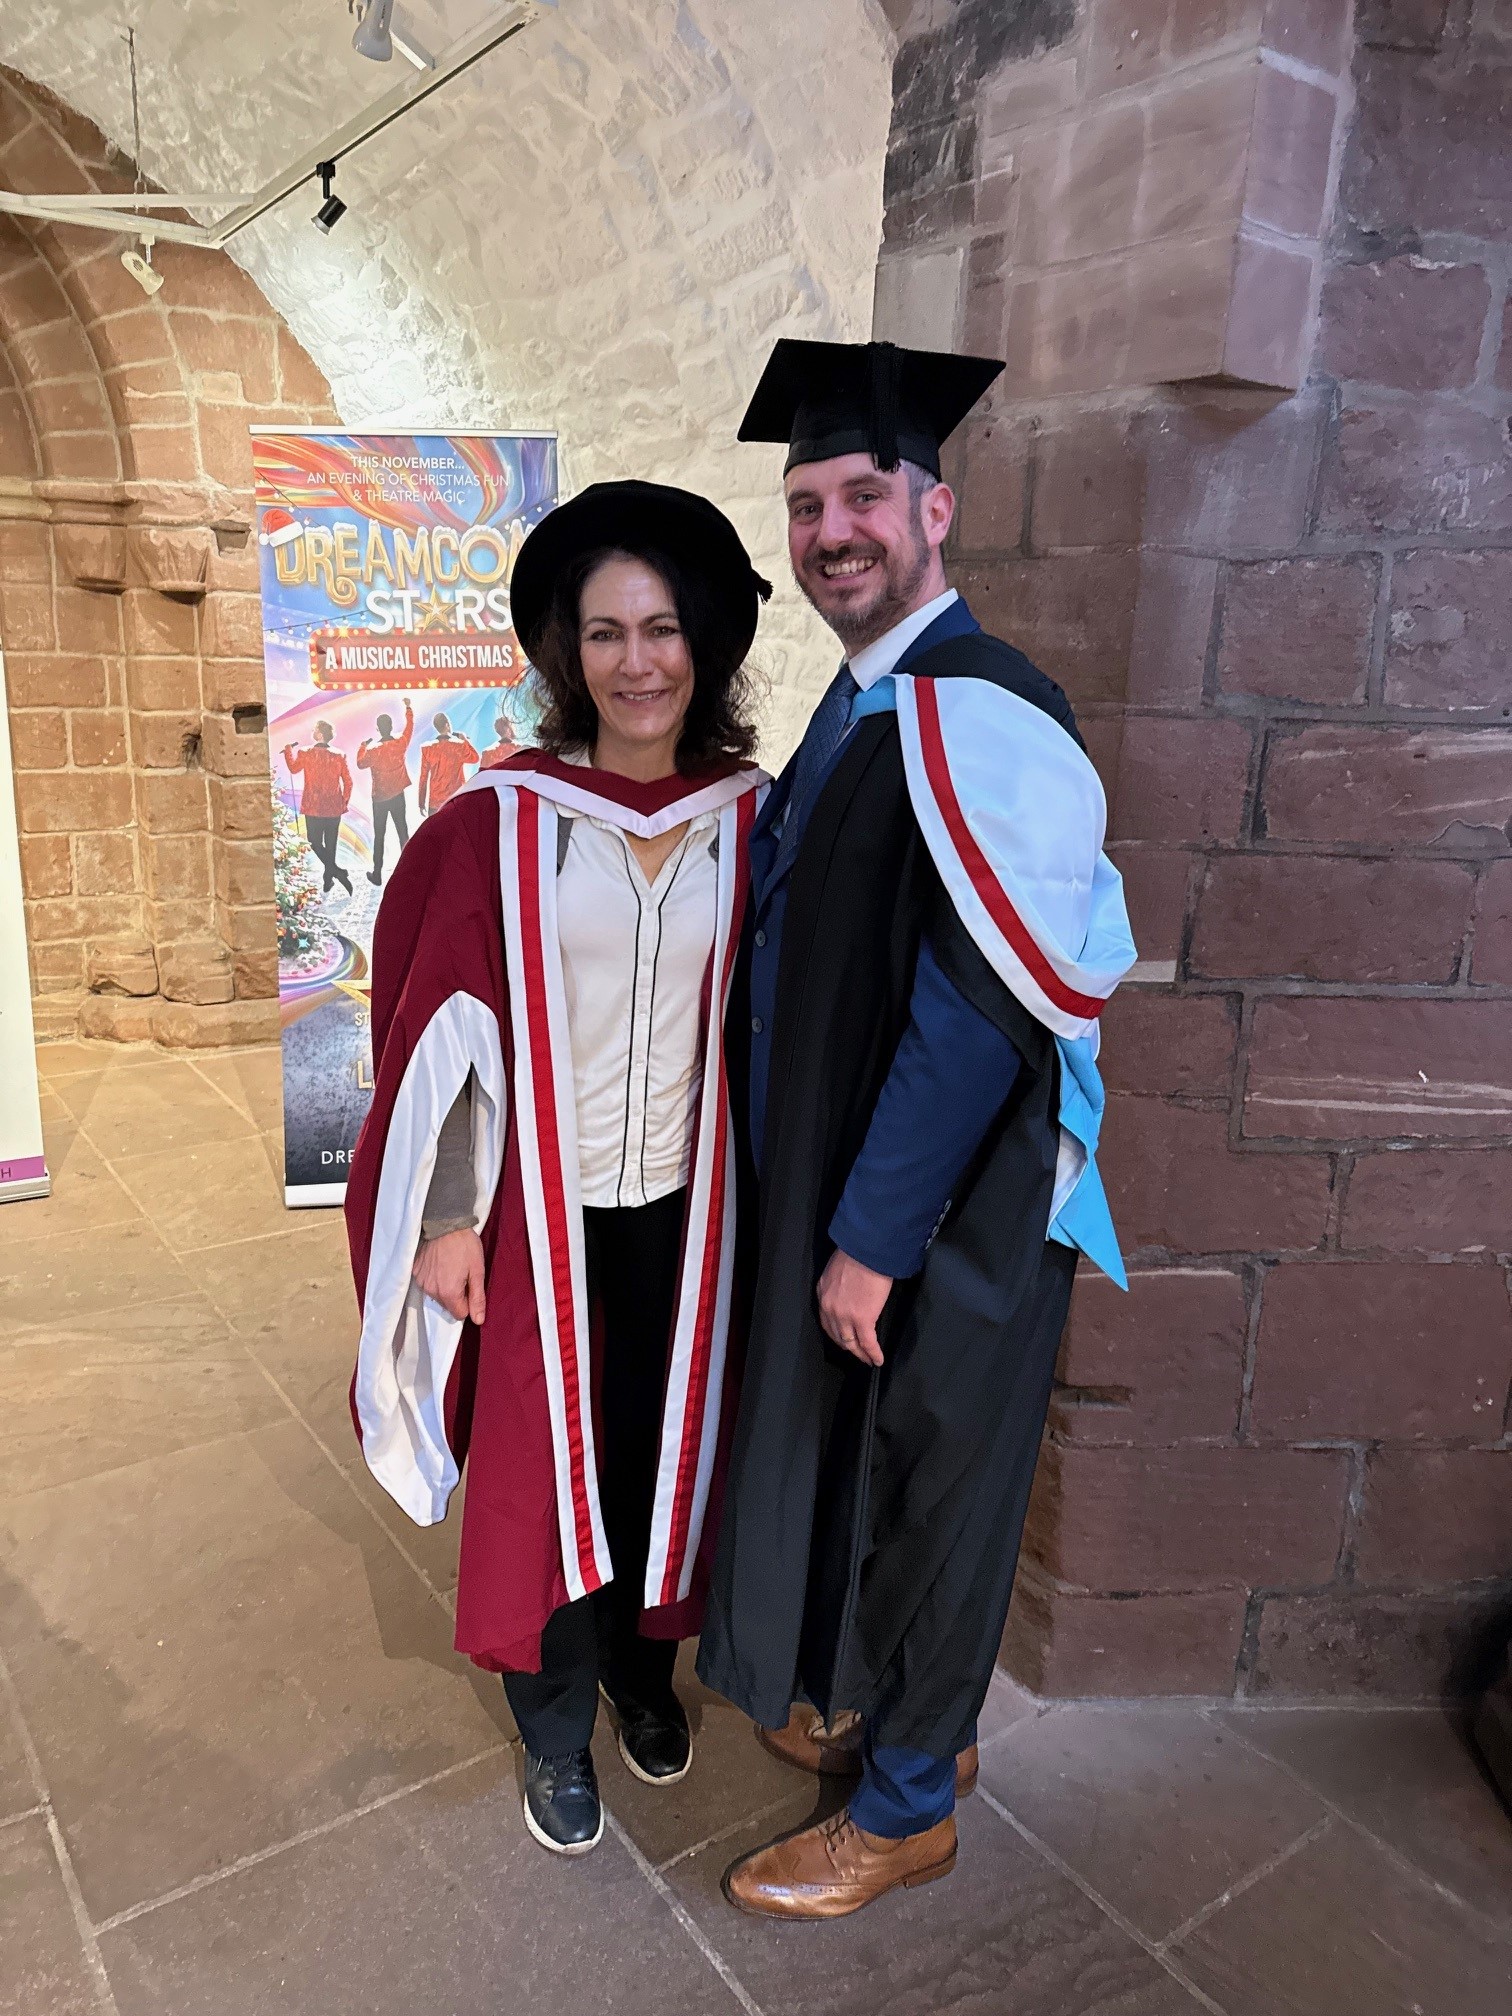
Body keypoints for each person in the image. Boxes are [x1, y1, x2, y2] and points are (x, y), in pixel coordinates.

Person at [697, 339, 1137, 1919]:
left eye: (864, 495)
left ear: (936, 511)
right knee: (882, 1483)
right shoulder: (864, 697)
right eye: (808, 502)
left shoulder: (988, 712)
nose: (832, 530)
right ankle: (899, 1724)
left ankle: (906, 1811)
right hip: (869, 1189)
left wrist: (871, 1242)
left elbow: (976, 1013)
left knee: (943, 1500)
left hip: (953, 1212)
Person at [344, 482, 770, 1861]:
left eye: (661, 628)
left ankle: (649, 1674)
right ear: (563, 653)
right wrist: (452, 1213)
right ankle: (553, 1718)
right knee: (545, 1470)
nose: (636, 661)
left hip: (702, 1216)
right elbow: (434, 1033)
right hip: (546, 1216)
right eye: (603, 633)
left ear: (703, 644)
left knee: (663, 1456)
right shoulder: (498, 825)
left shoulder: (756, 821)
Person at [282, 718, 353, 894]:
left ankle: (333, 874)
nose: (312, 732)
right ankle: (332, 876)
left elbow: (293, 768)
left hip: (313, 806)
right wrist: (343, 801)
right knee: (331, 845)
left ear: (320, 734)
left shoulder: (306, 753)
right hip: (333, 807)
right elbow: (348, 782)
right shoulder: (339, 755)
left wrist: (288, 751)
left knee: (314, 842)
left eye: (314, 730)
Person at [356, 697, 414, 886]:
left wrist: (362, 746)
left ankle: (377, 874)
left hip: (380, 799)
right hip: (398, 795)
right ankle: (410, 871)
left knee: (379, 835)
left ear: (378, 729)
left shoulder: (373, 751)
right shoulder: (400, 743)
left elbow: (360, 764)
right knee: (402, 831)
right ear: (390, 726)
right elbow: (409, 726)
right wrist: (408, 707)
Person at [417, 712, 478, 814]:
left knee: (436, 830)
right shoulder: (459, 747)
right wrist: (464, 740)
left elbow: (423, 778)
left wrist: (421, 803)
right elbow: (475, 758)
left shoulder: (427, 749)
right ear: (446, 725)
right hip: (455, 800)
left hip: (435, 802)